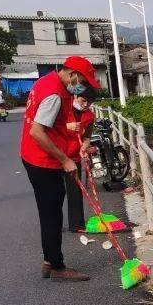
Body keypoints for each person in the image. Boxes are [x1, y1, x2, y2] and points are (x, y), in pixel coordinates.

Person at [20, 56, 100, 281]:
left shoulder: (46, 82)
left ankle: (50, 259)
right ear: (73, 73)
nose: (82, 87)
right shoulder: (55, 93)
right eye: (83, 81)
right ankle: (56, 265)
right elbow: (37, 132)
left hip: (36, 157)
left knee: (51, 211)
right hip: (42, 160)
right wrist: (65, 160)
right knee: (51, 214)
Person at [62, 94, 94, 232]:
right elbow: (48, 127)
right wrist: (67, 127)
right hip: (57, 155)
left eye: (90, 101)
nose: (86, 104)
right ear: (75, 96)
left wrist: (84, 146)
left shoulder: (90, 116)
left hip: (74, 156)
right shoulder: (64, 108)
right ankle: (53, 224)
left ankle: (77, 224)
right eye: (84, 100)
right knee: (55, 192)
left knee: (75, 190)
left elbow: (87, 137)